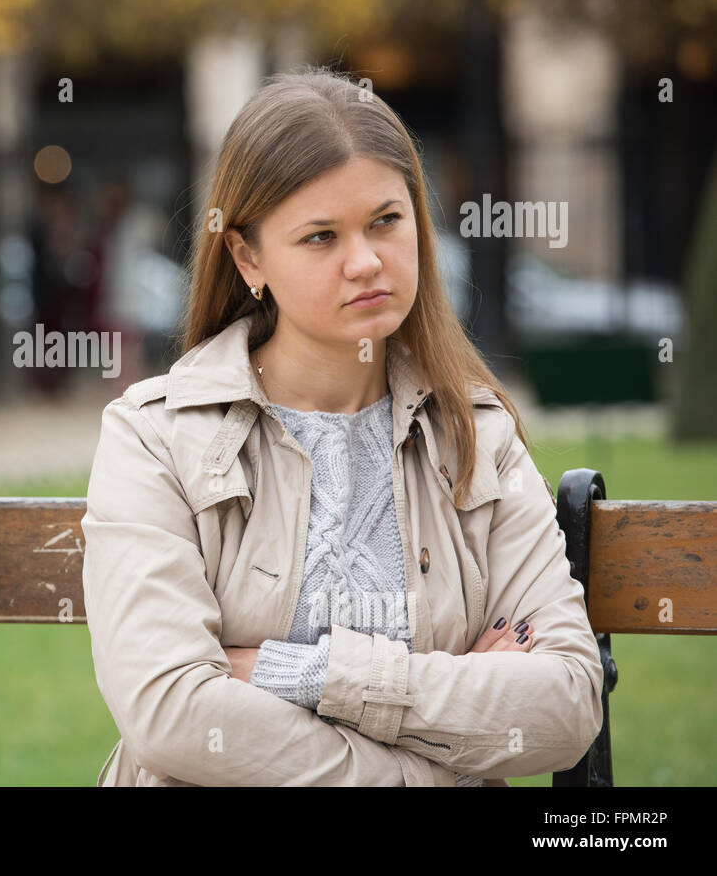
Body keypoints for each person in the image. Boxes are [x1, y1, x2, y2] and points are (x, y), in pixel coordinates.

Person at [81, 67, 603, 787]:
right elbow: (174, 715)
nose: (365, 262)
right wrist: (431, 753)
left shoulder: (477, 437)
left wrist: (293, 670)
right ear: (247, 256)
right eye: (321, 236)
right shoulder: (156, 437)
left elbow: (567, 705)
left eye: (386, 221)